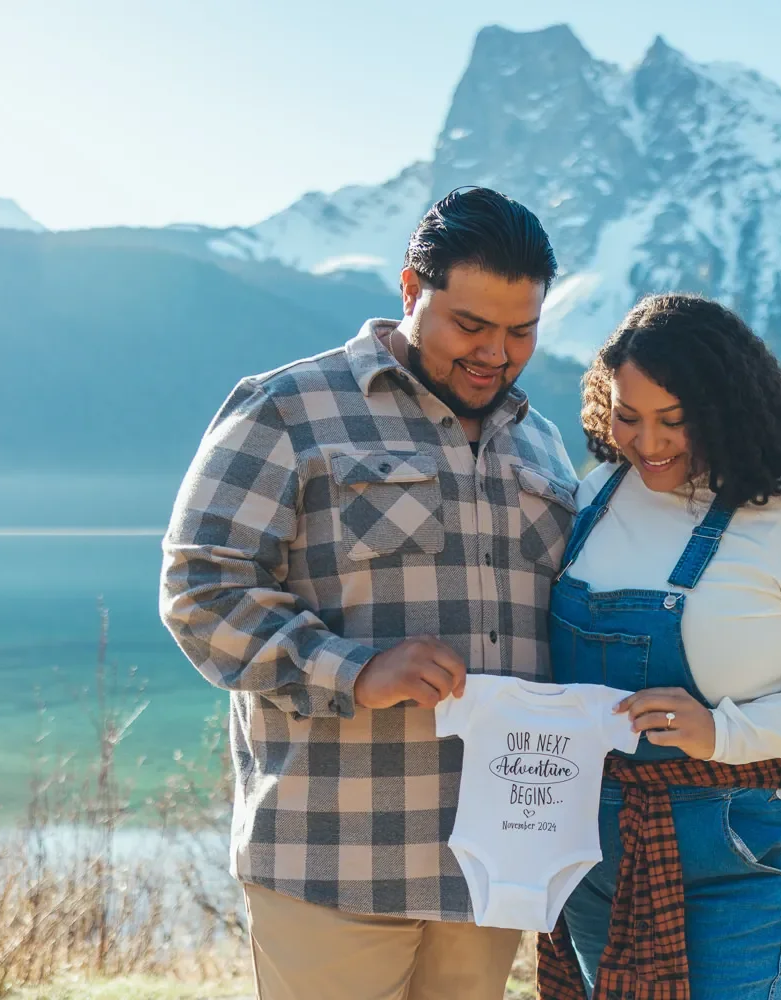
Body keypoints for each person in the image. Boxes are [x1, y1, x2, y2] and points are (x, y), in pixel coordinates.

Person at [159, 187, 580, 1000]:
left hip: (491, 866)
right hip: (336, 859)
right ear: (411, 290)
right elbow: (200, 588)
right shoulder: (289, 409)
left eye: (521, 331)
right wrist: (352, 670)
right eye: (472, 325)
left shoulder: (543, 440)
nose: (497, 353)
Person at [537, 294, 781, 1000]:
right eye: (626, 415)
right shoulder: (594, 497)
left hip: (746, 846)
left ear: (729, 409)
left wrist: (723, 730)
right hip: (596, 840)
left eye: (675, 420)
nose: (647, 443)